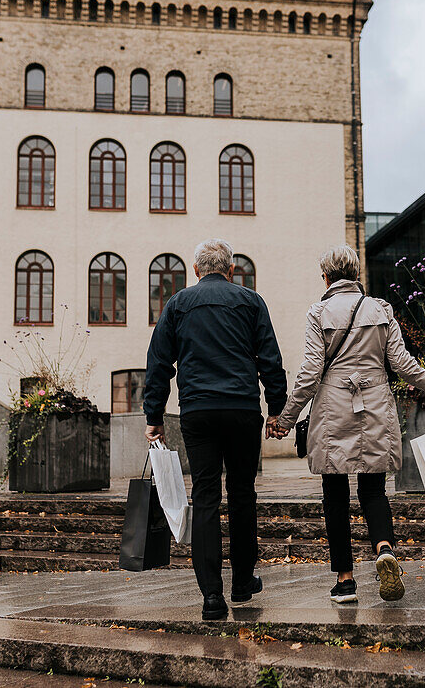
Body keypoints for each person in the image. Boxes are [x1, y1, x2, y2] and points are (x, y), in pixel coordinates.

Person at [272, 245, 425, 603]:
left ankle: (345, 580)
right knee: (374, 490)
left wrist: (285, 419)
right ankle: (385, 548)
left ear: (325, 277)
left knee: (334, 494)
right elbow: (403, 365)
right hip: (375, 406)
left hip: (333, 410)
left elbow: (309, 375)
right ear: (356, 275)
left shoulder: (318, 312)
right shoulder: (381, 309)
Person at [144, 238, 287, 621]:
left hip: (198, 411)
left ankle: (211, 595)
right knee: (243, 493)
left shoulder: (177, 305)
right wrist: (276, 409)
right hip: (241, 408)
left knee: (205, 496)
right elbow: (270, 358)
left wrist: (153, 415)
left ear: (195, 271)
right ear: (231, 270)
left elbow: (159, 363)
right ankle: (242, 582)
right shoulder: (251, 301)